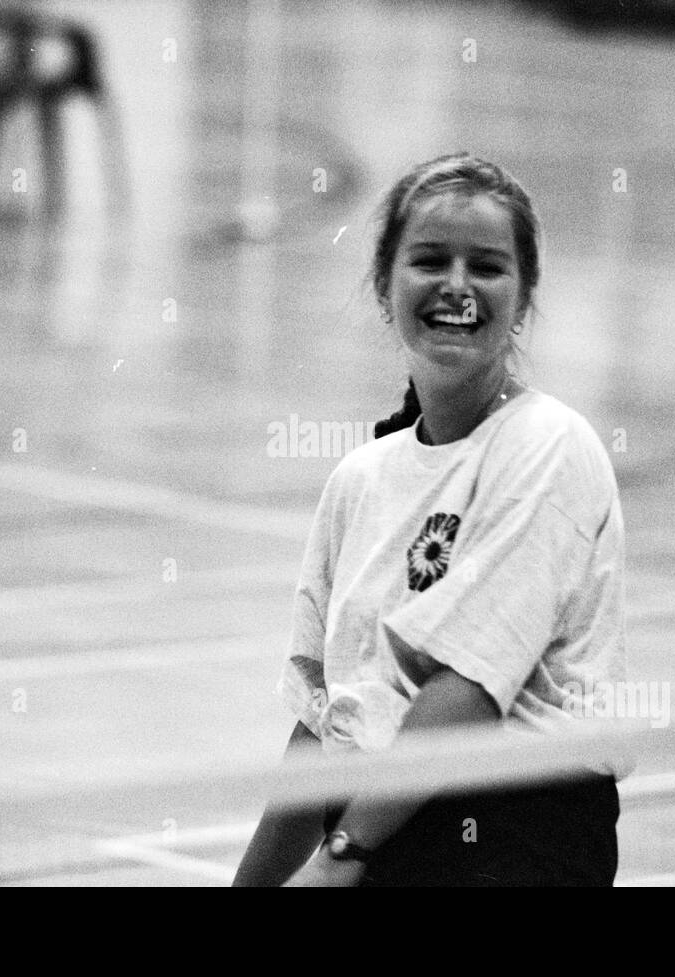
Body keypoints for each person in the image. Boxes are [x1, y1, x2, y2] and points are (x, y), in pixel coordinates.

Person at [233, 153, 628, 887]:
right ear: (385, 288)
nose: (456, 285)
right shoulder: (360, 480)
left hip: (513, 835)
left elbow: (469, 688)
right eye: (429, 260)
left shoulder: (548, 445)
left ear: (524, 294)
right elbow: (327, 726)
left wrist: (340, 859)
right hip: (377, 831)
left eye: (486, 265)